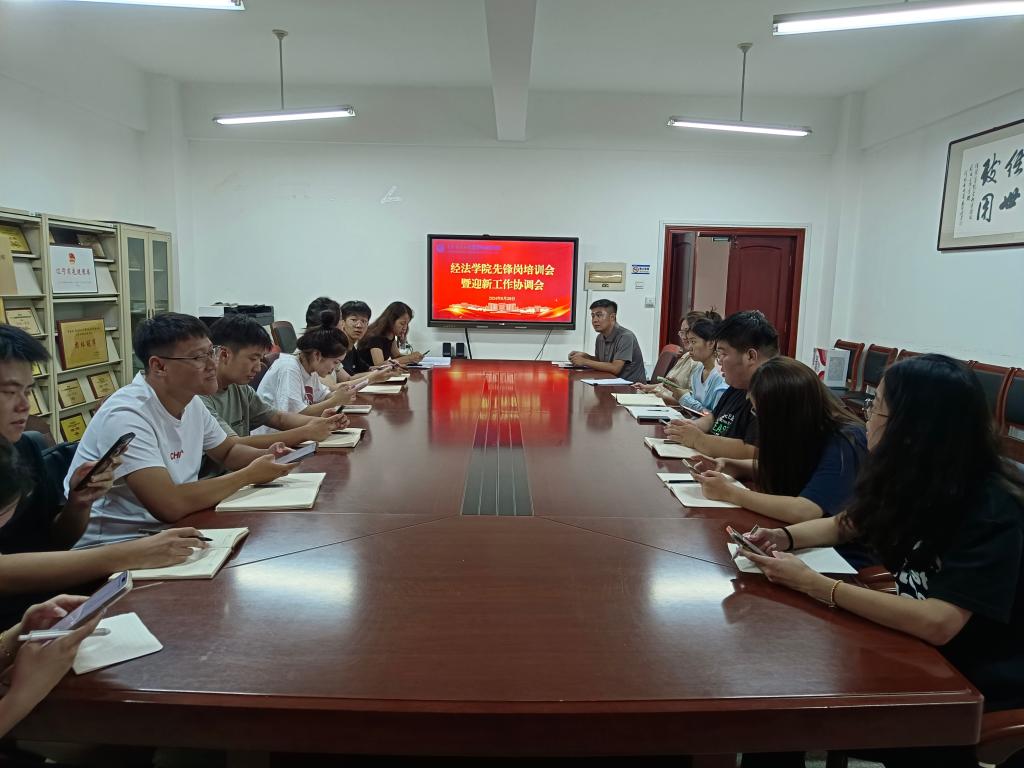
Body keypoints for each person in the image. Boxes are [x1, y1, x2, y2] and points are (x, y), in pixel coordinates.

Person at [743, 355, 1024, 768]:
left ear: (912, 426)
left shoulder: (990, 507)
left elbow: (940, 622)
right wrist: (784, 536)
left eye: (876, 407)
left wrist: (816, 585)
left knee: (779, 715)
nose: (866, 417)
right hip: (911, 648)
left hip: (965, 684)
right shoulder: (914, 473)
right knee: (773, 688)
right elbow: (846, 524)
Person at [0, 325, 206, 625]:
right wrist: (130, 554)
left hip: (50, 603)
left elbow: (56, 541)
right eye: (9, 392)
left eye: (28, 391)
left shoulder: (25, 448)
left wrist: (79, 503)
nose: (24, 405)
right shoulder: (128, 409)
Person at [66, 313, 294, 547]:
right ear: (159, 366)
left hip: (173, 531)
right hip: (116, 546)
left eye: (212, 352)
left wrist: (269, 457)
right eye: (198, 357)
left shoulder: (191, 401)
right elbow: (169, 504)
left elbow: (228, 452)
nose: (212, 364)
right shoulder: (127, 414)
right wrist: (248, 475)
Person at [691, 357, 870, 563]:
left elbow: (806, 510)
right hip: (791, 538)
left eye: (758, 411)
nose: (757, 419)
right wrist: (732, 465)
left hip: (836, 557)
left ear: (785, 413)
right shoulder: (802, 429)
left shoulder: (846, 440)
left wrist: (730, 492)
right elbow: (792, 468)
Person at [201, 314, 349, 452]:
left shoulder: (241, 389)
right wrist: (306, 431)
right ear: (224, 354)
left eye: (260, 359)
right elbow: (232, 446)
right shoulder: (200, 398)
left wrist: (322, 423)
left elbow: (279, 418)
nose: (258, 368)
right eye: (253, 359)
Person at [664, 310, 778, 459]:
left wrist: (698, 440)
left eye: (723, 354)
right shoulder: (738, 385)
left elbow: (754, 452)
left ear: (750, 356)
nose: (719, 362)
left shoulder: (771, 394)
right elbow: (714, 417)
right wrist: (690, 427)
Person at [255, 310, 355, 434]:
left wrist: (341, 395)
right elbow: (293, 417)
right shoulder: (289, 368)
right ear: (317, 355)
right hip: (274, 438)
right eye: (335, 362)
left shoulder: (311, 370)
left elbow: (323, 396)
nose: (335, 368)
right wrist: (335, 400)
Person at [635, 310, 722, 403]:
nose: (684, 337)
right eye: (682, 332)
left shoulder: (714, 372)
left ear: (711, 343)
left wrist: (673, 396)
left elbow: (701, 407)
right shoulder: (695, 365)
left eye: (693, 341)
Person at [568, 299, 646, 383]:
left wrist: (584, 361)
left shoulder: (626, 336)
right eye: (593, 316)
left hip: (631, 387)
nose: (594, 320)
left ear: (612, 317)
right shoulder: (600, 337)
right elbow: (601, 362)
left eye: (599, 315)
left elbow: (615, 368)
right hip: (610, 383)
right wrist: (585, 356)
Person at [677, 317, 728, 414]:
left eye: (693, 342)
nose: (689, 347)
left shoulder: (720, 375)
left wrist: (683, 397)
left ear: (711, 343)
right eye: (689, 342)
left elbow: (715, 417)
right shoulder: (698, 371)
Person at [358, 302, 425, 368]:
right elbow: (379, 365)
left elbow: (396, 356)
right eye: (402, 323)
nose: (405, 328)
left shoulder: (391, 334)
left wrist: (413, 358)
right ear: (391, 321)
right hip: (364, 373)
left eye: (407, 324)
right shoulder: (375, 337)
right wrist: (409, 358)